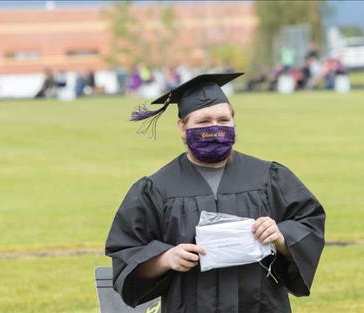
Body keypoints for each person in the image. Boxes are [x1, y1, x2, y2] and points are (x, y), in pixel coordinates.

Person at [105, 72, 325, 313]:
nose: (214, 128)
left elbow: (309, 224)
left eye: (223, 120)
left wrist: (281, 236)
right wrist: (166, 258)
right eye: (203, 121)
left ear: (234, 123)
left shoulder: (270, 177)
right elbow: (126, 254)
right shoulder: (156, 189)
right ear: (182, 126)